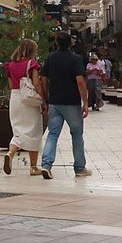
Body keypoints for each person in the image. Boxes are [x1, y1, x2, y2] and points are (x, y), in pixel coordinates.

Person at [37, 31, 90, 180]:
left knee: (52, 134)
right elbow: (80, 82)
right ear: (70, 43)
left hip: (55, 102)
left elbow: (43, 80)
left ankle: (46, 165)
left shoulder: (50, 58)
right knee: (77, 134)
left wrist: (45, 99)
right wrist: (85, 103)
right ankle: (79, 168)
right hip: (72, 103)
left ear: (56, 43)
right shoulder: (75, 59)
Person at [2, 39, 45, 177]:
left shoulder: (10, 65)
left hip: (15, 98)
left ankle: (10, 153)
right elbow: (37, 83)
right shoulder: (31, 64)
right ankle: (33, 167)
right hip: (29, 99)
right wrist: (43, 100)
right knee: (34, 131)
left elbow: (10, 85)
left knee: (18, 131)